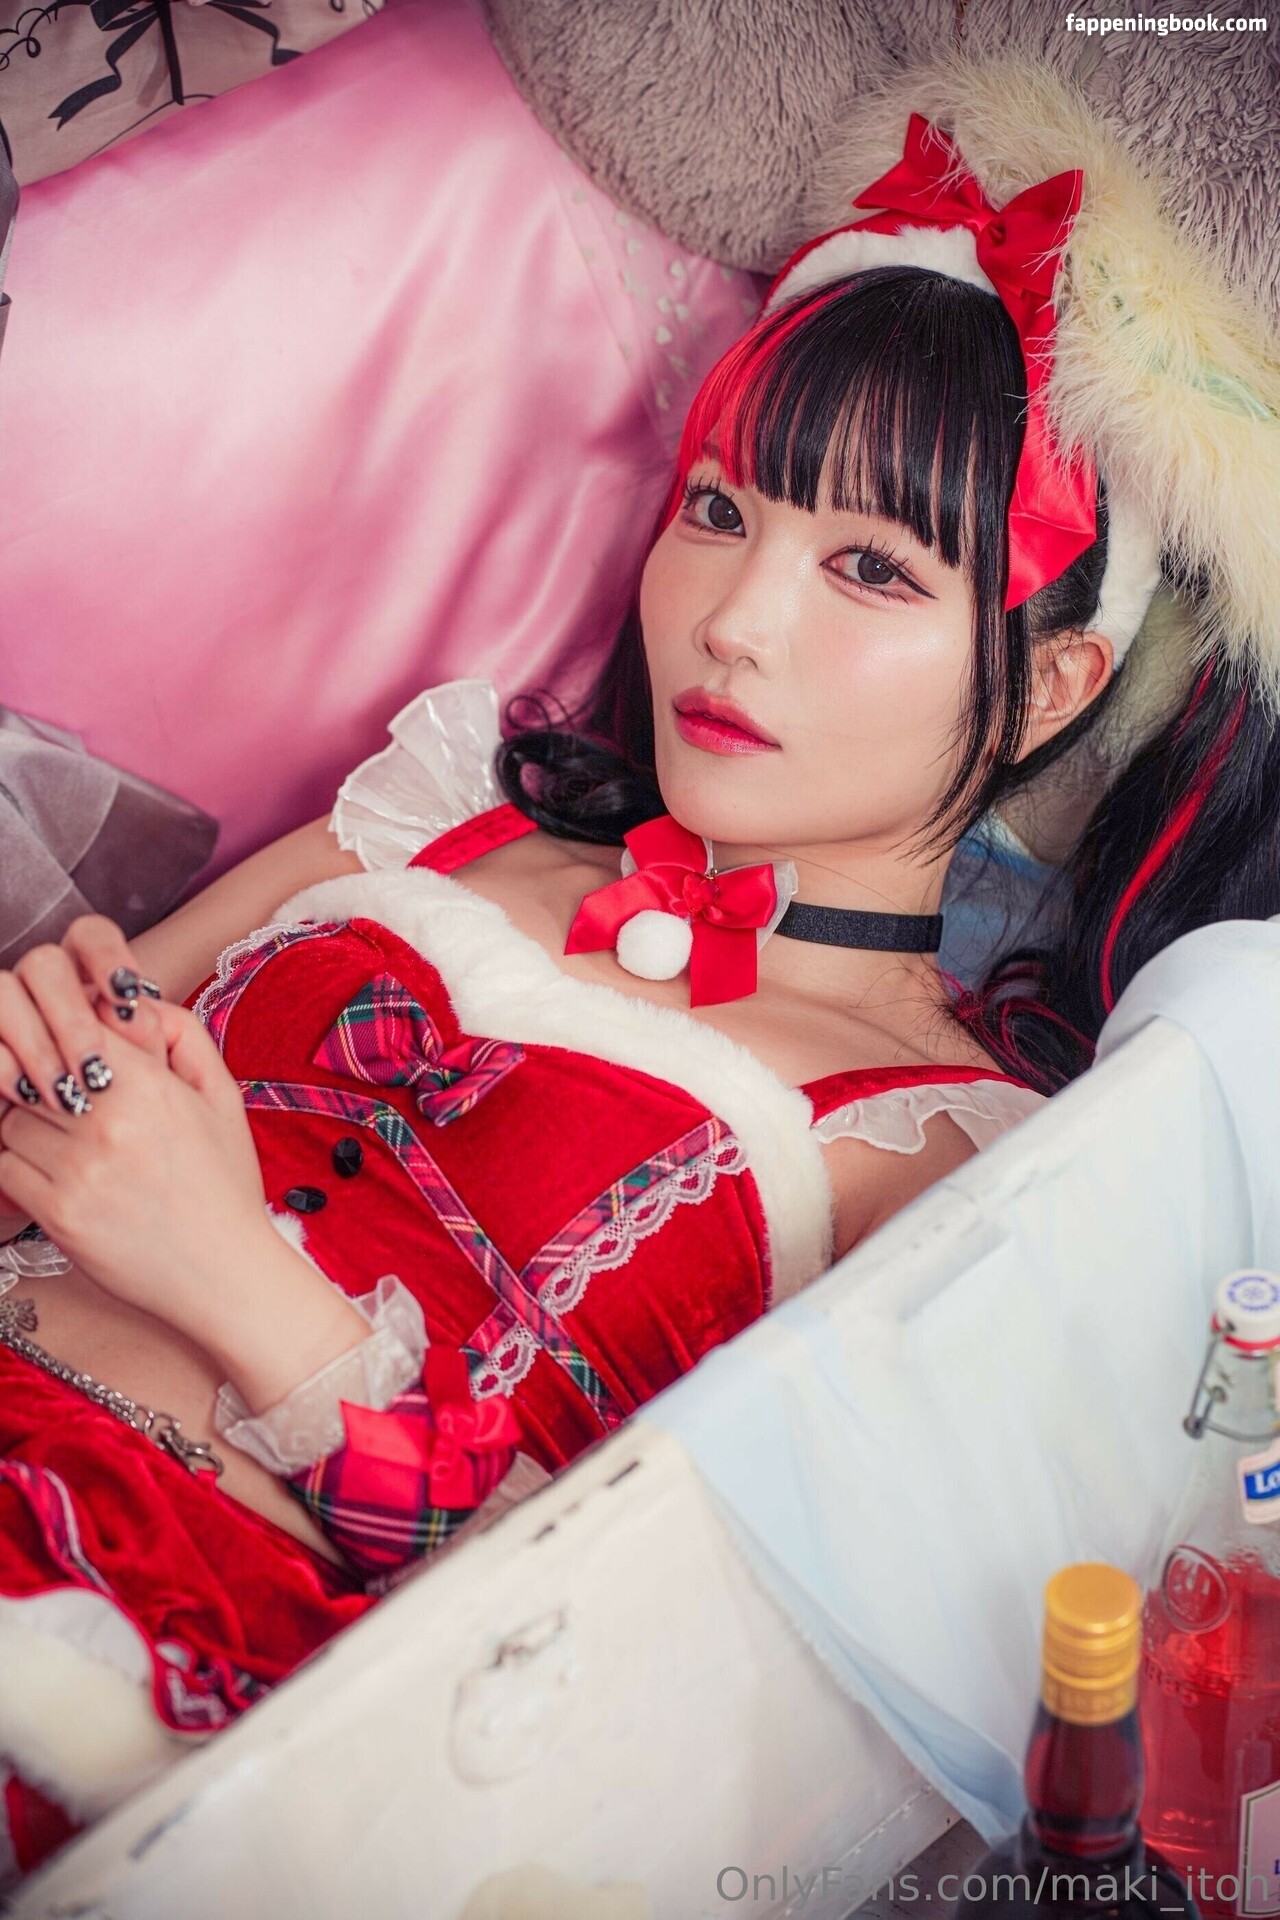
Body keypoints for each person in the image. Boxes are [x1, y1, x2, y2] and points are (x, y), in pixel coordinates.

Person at [0, 110, 1276, 1875]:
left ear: (1051, 681)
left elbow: (632, 1723)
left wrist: (230, 1274)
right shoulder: (441, 808)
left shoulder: (953, 1161)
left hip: (153, 1672)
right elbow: (52, 1062)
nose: (732, 619)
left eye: (871, 568)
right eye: (718, 509)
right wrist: (50, 1053)